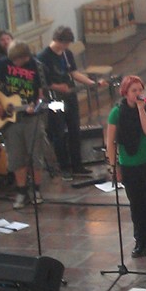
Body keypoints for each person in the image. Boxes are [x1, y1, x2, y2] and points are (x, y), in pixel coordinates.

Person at [106, 76, 146, 258]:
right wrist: (113, 166)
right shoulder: (116, 113)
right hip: (129, 164)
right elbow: (110, 142)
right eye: (134, 91)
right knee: (137, 204)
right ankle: (141, 240)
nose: (138, 94)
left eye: (140, 90)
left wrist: (141, 110)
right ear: (125, 93)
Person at [0, 40, 49, 209]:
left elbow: (41, 96)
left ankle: (36, 190)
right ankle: (21, 192)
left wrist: (35, 107)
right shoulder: (3, 64)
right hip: (11, 119)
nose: (14, 64)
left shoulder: (37, 67)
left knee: (36, 155)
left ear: (26, 57)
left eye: (18, 61)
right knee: (15, 156)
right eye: (12, 61)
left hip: (31, 118)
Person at [38, 26, 106, 180]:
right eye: (65, 44)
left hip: (70, 96)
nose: (66, 47)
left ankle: (77, 165)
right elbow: (42, 82)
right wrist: (57, 87)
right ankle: (64, 167)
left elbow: (73, 73)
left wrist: (91, 83)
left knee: (75, 130)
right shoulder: (43, 57)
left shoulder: (67, 54)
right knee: (59, 133)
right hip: (54, 99)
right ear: (57, 40)